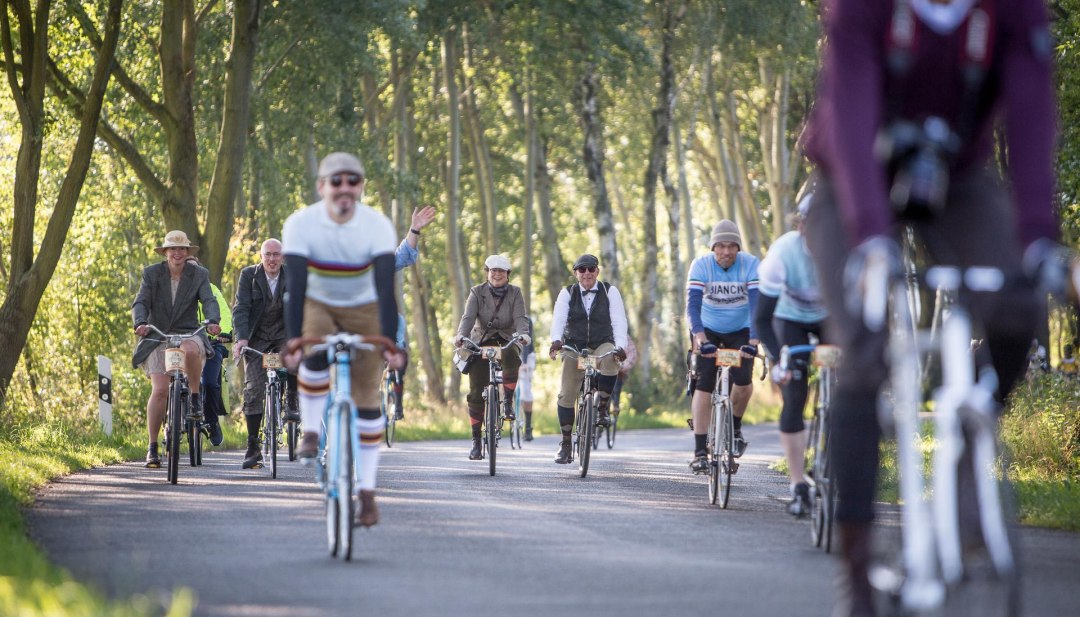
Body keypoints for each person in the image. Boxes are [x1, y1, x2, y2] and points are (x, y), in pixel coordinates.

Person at [802, 1, 1066, 615]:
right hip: (851, 179)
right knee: (864, 348)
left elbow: (1030, 109)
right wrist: (870, 237)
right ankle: (858, 570)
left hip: (956, 173)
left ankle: (967, 454)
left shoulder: (1011, 9)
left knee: (1018, 303)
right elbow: (853, 103)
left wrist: (1038, 234)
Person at [282, 152, 406, 528]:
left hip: (365, 305)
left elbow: (387, 290)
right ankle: (311, 429)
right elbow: (296, 288)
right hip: (318, 301)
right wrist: (294, 341)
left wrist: (388, 341)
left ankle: (366, 494)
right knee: (314, 347)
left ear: (361, 187)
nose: (345, 188)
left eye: (353, 181)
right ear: (322, 187)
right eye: (336, 181)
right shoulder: (301, 225)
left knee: (368, 400)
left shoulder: (377, 226)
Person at [752, 195, 827, 517]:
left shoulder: (846, 248)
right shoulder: (781, 256)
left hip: (830, 317)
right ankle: (798, 484)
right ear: (800, 225)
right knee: (795, 393)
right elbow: (761, 320)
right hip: (788, 319)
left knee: (852, 384)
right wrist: (778, 358)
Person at [131, 230, 221, 468]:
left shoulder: (199, 274)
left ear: (187, 252)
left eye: (182, 249)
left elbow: (209, 299)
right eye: (173, 249)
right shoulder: (151, 274)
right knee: (160, 390)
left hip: (187, 331)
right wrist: (140, 322)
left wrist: (212, 320)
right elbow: (141, 301)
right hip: (158, 335)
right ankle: (152, 447)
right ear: (165, 252)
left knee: (191, 351)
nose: (178, 253)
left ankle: (193, 398)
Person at [685, 220, 760, 473]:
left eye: (732, 246)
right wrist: (700, 338)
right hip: (708, 329)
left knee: (744, 382)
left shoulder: (750, 264)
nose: (726, 252)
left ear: (738, 248)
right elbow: (692, 306)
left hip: (741, 331)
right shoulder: (701, 265)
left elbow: (757, 305)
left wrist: (754, 342)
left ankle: (735, 428)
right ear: (713, 247)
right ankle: (699, 452)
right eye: (721, 246)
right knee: (704, 382)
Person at [548, 254, 629, 464]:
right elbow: (558, 318)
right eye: (582, 270)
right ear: (576, 273)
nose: (586, 273)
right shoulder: (567, 293)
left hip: (602, 342)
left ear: (597, 271)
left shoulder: (610, 291)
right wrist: (556, 340)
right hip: (575, 346)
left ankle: (602, 408)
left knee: (611, 357)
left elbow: (619, 320)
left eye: (591, 269)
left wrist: (620, 346)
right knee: (566, 394)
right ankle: (566, 444)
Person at [453, 255, 530, 460]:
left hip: (505, 339)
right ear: (487, 271)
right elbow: (468, 318)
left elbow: (520, 318)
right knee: (476, 391)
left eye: (501, 271)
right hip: (481, 340)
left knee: (512, 355)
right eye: (493, 270)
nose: (497, 274)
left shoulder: (515, 293)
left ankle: (507, 403)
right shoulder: (476, 292)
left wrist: (523, 334)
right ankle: (476, 441)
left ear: (508, 275)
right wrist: (461, 336)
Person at [232, 239, 298, 469]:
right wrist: (242, 338)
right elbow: (241, 308)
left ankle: (292, 399)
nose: (272, 259)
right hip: (257, 338)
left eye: (276, 254)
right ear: (261, 256)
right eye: (267, 254)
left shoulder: (293, 275)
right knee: (253, 389)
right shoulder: (248, 276)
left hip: (284, 335)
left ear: (283, 256)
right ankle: (252, 446)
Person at [186, 256, 233, 449]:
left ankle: (212, 422)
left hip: (211, 344)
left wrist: (224, 331)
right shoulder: (174, 291)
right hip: (182, 344)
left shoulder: (211, 290)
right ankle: (171, 420)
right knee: (168, 380)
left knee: (210, 381)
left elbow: (224, 313)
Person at [517, 316, 537, 441]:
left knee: (525, 391)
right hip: (509, 353)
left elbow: (526, 345)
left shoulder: (526, 319)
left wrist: (523, 363)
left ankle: (528, 428)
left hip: (526, 356)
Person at [611, 334, 637, 417]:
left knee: (616, 381)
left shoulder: (623, 335)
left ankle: (615, 405)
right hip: (600, 364)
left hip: (618, 369)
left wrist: (623, 366)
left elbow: (632, 354)